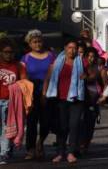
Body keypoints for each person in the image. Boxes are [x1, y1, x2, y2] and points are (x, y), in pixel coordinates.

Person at [43, 39, 85, 163]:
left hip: (76, 99)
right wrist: (44, 93)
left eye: (74, 48)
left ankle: (71, 152)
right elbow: (48, 77)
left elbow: (93, 73)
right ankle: (60, 152)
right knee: (62, 126)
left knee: (74, 125)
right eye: (69, 47)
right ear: (65, 48)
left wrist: (87, 76)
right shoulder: (57, 62)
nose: (72, 50)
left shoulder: (82, 62)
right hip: (60, 99)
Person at [21, 30, 56, 160]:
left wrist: (46, 93)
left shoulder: (51, 56)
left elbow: (56, 73)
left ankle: (40, 143)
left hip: (48, 93)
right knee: (31, 123)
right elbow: (22, 76)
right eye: (34, 42)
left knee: (46, 121)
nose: (37, 44)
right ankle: (30, 149)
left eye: (39, 41)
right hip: (31, 94)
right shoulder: (26, 58)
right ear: (29, 44)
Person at [0, 37, 26, 164]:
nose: (9, 54)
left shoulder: (19, 66)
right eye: (6, 52)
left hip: (10, 102)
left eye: (11, 52)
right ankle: (6, 150)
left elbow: (24, 82)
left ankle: (3, 153)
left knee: (7, 127)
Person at [80, 47, 108, 153]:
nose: (91, 58)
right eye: (89, 56)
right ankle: (80, 143)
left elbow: (105, 84)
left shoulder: (100, 68)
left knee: (90, 124)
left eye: (93, 56)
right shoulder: (81, 67)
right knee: (80, 122)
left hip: (94, 100)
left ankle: (86, 144)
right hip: (81, 99)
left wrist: (103, 96)